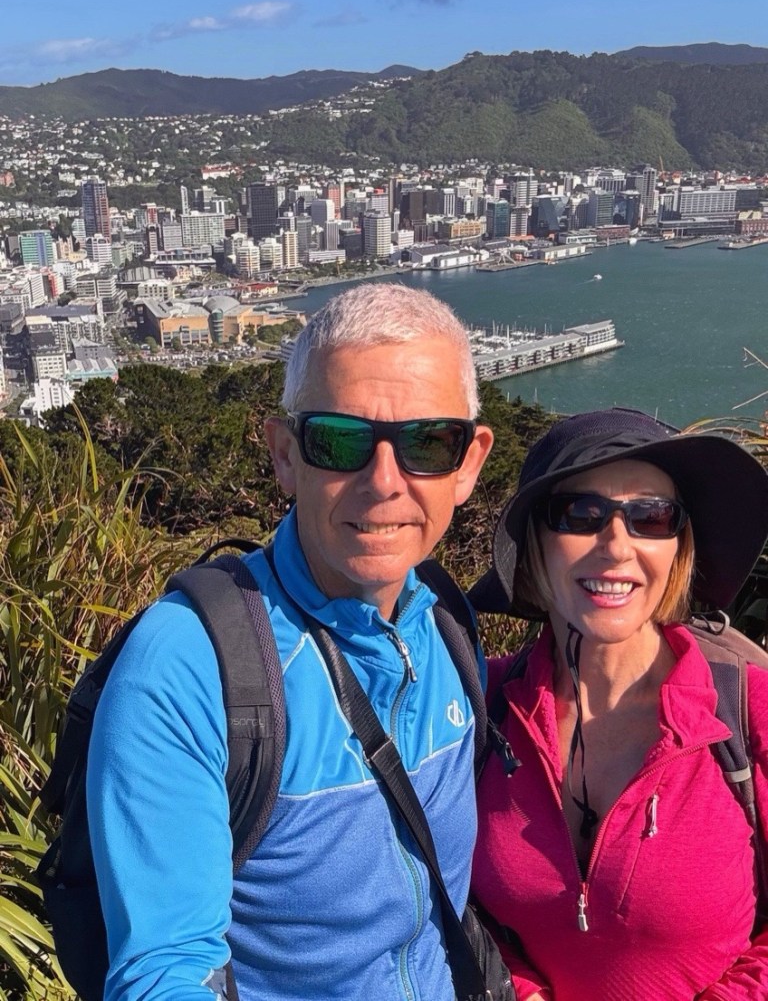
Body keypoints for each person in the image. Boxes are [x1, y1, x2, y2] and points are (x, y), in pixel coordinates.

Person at [86, 283, 494, 1001]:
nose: (384, 482)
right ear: (284, 454)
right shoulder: (190, 666)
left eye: (429, 443)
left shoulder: (447, 629)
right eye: (340, 441)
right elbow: (164, 971)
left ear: (469, 464)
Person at [468, 407, 768, 1001]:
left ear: (678, 546)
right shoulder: (481, 707)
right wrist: (518, 989)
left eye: (651, 517)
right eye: (581, 514)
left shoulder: (746, 710)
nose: (616, 546)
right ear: (535, 542)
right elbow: (444, 892)